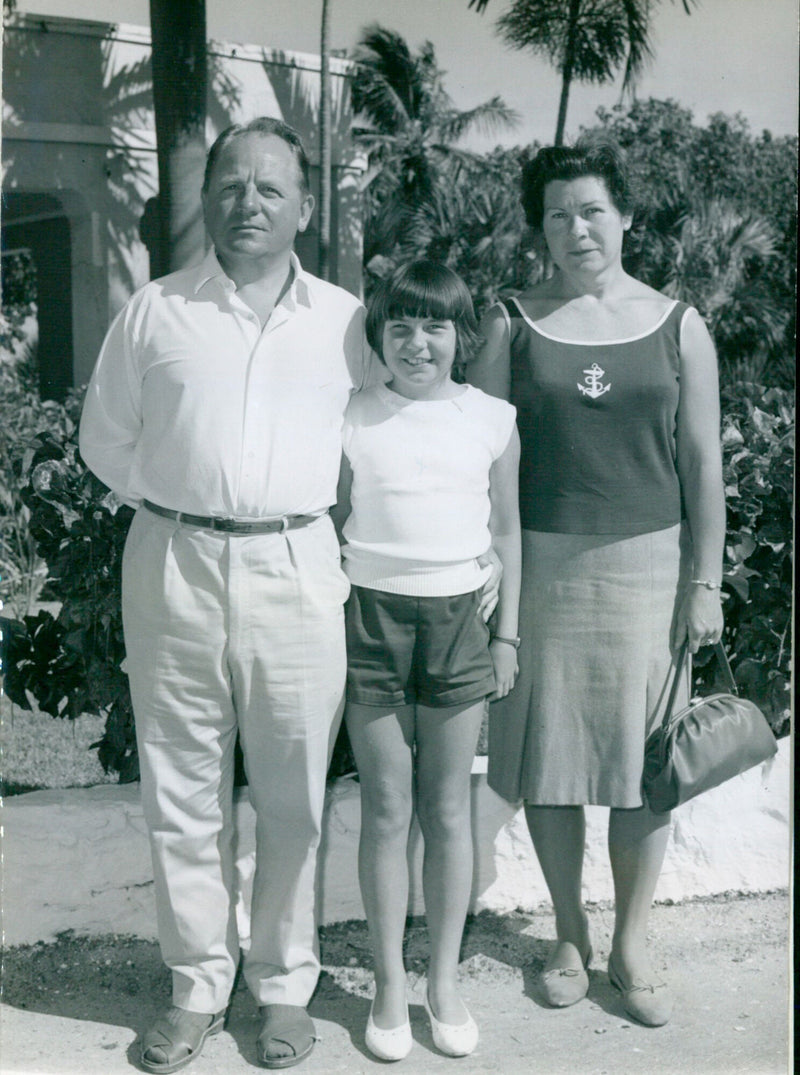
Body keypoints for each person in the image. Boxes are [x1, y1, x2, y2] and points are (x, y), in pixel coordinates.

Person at [79, 117, 370, 1072]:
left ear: (305, 207)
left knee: (293, 792)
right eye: (232, 185)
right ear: (205, 197)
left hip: (298, 566)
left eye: (271, 188)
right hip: (173, 565)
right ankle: (198, 982)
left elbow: (376, 447)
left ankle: (284, 984)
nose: (250, 203)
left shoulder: (346, 323)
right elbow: (104, 439)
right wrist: (180, 507)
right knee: (182, 788)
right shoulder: (155, 310)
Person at [468, 141, 725, 1028]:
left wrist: (707, 579)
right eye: (556, 215)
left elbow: (700, 463)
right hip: (539, 567)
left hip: (652, 569)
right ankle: (571, 936)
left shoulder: (678, 322)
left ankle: (633, 942)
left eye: (591, 211)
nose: (575, 229)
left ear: (624, 219)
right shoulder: (512, 321)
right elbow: (480, 457)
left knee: (645, 767)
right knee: (553, 759)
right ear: (540, 227)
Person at [332, 260, 521, 1061]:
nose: (417, 341)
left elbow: (507, 531)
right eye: (401, 325)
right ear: (379, 334)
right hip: (369, 615)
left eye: (434, 324)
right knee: (385, 807)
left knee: (447, 809)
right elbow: (332, 517)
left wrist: (506, 632)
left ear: (460, 335)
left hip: (459, 622)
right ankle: (384, 985)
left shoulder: (493, 418)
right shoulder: (349, 415)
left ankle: (441, 981)